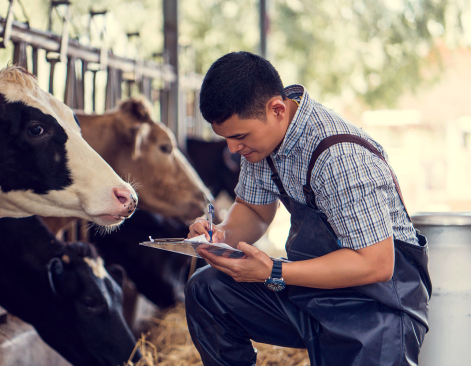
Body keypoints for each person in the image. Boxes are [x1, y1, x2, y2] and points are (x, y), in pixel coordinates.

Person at [185, 51, 431, 366]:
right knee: (207, 289)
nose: (232, 149)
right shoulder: (262, 144)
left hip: (376, 308)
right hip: (312, 289)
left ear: (276, 109)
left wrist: (273, 271)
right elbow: (255, 212)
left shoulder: (339, 156)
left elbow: (376, 264)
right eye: (227, 139)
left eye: (239, 137)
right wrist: (220, 235)